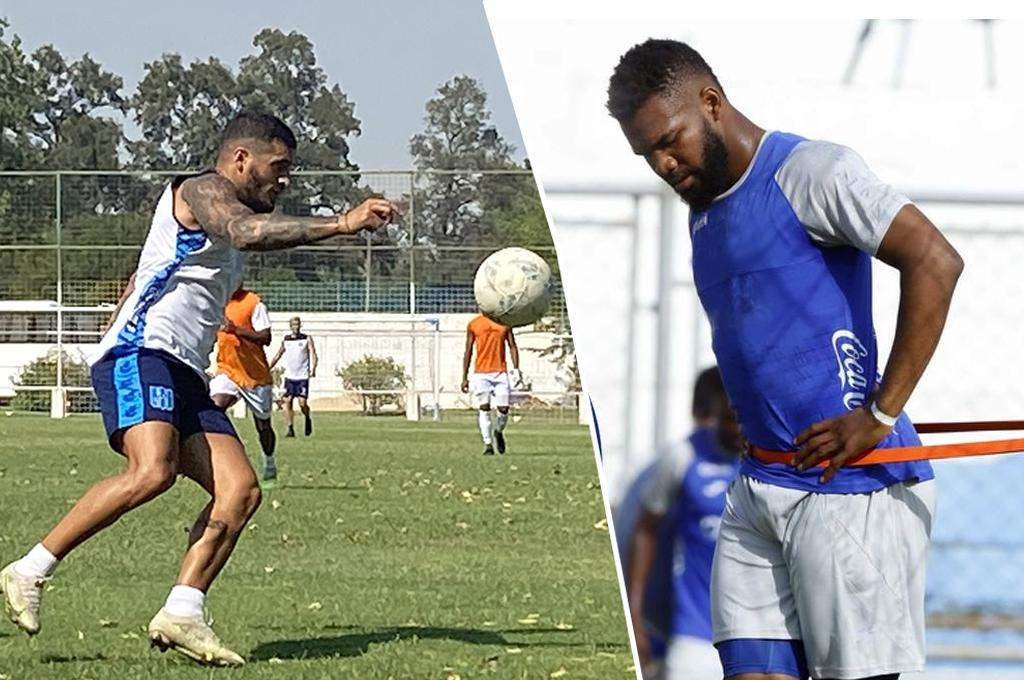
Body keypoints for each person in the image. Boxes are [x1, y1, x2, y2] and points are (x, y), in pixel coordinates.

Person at [608, 40, 963, 680]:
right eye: (647, 155)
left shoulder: (811, 172)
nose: (663, 164)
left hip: (851, 489)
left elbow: (936, 260)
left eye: (670, 140)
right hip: (759, 485)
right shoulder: (702, 208)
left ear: (711, 104)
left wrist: (881, 413)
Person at [0, 111, 396, 666]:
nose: (283, 180)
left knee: (241, 490)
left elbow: (154, 273)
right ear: (241, 160)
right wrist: (343, 223)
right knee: (152, 471)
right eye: (277, 168)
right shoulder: (200, 190)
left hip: (184, 369)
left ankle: (183, 611)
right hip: (142, 354)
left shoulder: (228, 230)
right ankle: (29, 569)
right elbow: (242, 230)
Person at [626, 366, 741, 680]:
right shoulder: (683, 456)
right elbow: (643, 529)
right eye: (729, 416)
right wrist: (634, 617)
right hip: (695, 637)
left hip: (762, 644)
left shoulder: (782, 462)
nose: (736, 427)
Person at [209, 286, 277, 483]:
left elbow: (265, 337)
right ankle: (223, 459)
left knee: (263, 425)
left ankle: (269, 463)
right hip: (227, 370)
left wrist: (236, 330)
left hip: (254, 376)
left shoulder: (253, 303)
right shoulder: (218, 300)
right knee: (213, 409)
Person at [460, 313, 521, 455]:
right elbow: (468, 350)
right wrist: (464, 376)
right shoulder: (474, 324)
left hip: (500, 372)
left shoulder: (504, 323)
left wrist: (516, 368)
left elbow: (512, 346)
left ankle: (498, 431)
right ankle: (488, 444)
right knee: (484, 407)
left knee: (504, 409)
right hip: (481, 373)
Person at [269, 315, 317, 439]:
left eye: (297, 325)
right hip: (290, 377)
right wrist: (268, 367)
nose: (295, 327)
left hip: (302, 376)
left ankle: (307, 417)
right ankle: (290, 428)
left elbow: (313, 353)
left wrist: (313, 368)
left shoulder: (306, 338)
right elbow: (278, 354)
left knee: (302, 403)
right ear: (290, 326)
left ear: (300, 326)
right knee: (288, 401)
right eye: (293, 325)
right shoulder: (287, 340)